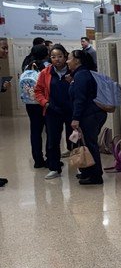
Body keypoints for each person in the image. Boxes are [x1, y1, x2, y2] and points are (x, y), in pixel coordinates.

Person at [67, 48, 107, 185]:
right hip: (92, 113)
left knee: (90, 144)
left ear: (77, 60)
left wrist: (75, 118)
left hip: (90, 115)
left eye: (69, 58)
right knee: (86, 143)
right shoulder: (80, 74)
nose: (67, 61)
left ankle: (96, 176)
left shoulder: (81, 75)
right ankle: (88, 171)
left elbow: (80, 98)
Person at [34, 43, 72, 179]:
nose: (57, 59)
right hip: (52, 110)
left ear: (65, 56)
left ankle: (79, 165)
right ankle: (54, 167)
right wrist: (46, 103)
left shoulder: (72, 70)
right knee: (53, 140)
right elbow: (37, 91)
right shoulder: (46, 72)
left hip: (70, 110)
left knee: (73, 139)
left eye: (60, 56)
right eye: (53, 57)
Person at [18, 53, 47, 168]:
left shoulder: (26, 68)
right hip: (42, 104)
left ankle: (37, 160)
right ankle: (49, 158)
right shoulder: (42, 68)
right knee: (49, 131)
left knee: (35, 131)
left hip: (29, 104)